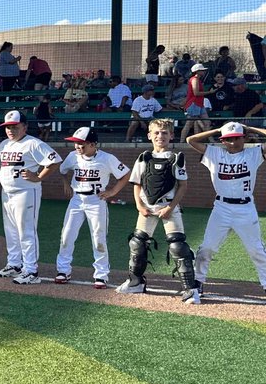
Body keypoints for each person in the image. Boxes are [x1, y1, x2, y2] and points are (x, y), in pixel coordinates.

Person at [116, 119, 196, 299]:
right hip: (147, 206)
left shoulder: (177, 158)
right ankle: (136, 282)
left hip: (169, 206)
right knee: (137, 243)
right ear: (149, 135)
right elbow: (137, 184)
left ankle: (190, 290)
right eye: (157, 133)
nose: (161, 136)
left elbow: (183, 186)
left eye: (165, 133)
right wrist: (139, 206)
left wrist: (170, 207)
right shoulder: (144, 157)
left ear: (171, 136)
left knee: (177, 246)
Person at [188, 121, 266, 300]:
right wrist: (217, 130)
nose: (233, 142)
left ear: (244, 138)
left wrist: (251, 128)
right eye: (228, 139)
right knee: (207, 247)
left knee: (256, 250)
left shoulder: (253, 153)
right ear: (222, 141)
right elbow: (190, 140)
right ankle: (198, 281)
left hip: (245, 208)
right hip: (221, 208)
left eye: (237, 138)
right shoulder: (214, 153)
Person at [53, 127, 132, 288]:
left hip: (96, 200)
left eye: (81, 143)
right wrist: (66, 184)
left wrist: (112, 192)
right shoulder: (72, 156)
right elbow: (62, 170)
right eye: (75, 143)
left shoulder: (107, 158)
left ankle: (101, 275)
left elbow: (126, 174)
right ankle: (63, 270)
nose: (77, 146)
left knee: (98, 237)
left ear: (93, 144)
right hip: (76, 199)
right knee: (67, 235)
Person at [0, 109, 61, 284]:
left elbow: (54, 161)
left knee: (26, 231)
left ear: (24, 127)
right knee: (10, 231)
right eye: (8, 127)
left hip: (26, 192)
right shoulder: (4, 144)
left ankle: (31, 270)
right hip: (7, 193)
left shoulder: (33, 143)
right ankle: (14, 264)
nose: (11, 130)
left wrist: (38, 177)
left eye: (15, 127)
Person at [182, 63, 208, 139]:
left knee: (207, 122)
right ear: (197, 71)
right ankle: (181, 141)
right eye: (202, 70)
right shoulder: (194, 79)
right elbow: (196, 93)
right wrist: (209, 92)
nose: (203, 72)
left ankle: (211, 140)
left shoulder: (197, 80)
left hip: (199, 103)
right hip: (194, 103)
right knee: (189, 124)